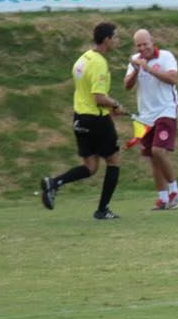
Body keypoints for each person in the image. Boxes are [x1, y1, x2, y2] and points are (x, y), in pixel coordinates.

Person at [40, 23, 126, 220]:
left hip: (80, 119)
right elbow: (98, 97)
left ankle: (54, 183)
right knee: (113, 161)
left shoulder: (83, 58)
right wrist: (115, 104)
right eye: (115, 37)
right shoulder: (99, 63)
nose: (117, 41)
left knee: (91, 167)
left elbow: (85, 92)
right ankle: (103, 209)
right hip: (96, 120)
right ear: (106, 39)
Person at [124, 29, 178, 210]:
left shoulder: (165, 56)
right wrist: (136, 69)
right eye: (138, 45)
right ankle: (163, 199)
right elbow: (127, 86)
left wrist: (149, 69)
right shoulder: (134, 60)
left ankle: (174, 191)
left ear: (152, 42)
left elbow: (173, 79)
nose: (142, 48)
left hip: (166, 110)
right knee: (152, 157)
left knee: (158, 151)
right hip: (145, 116)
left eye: (145, 44)